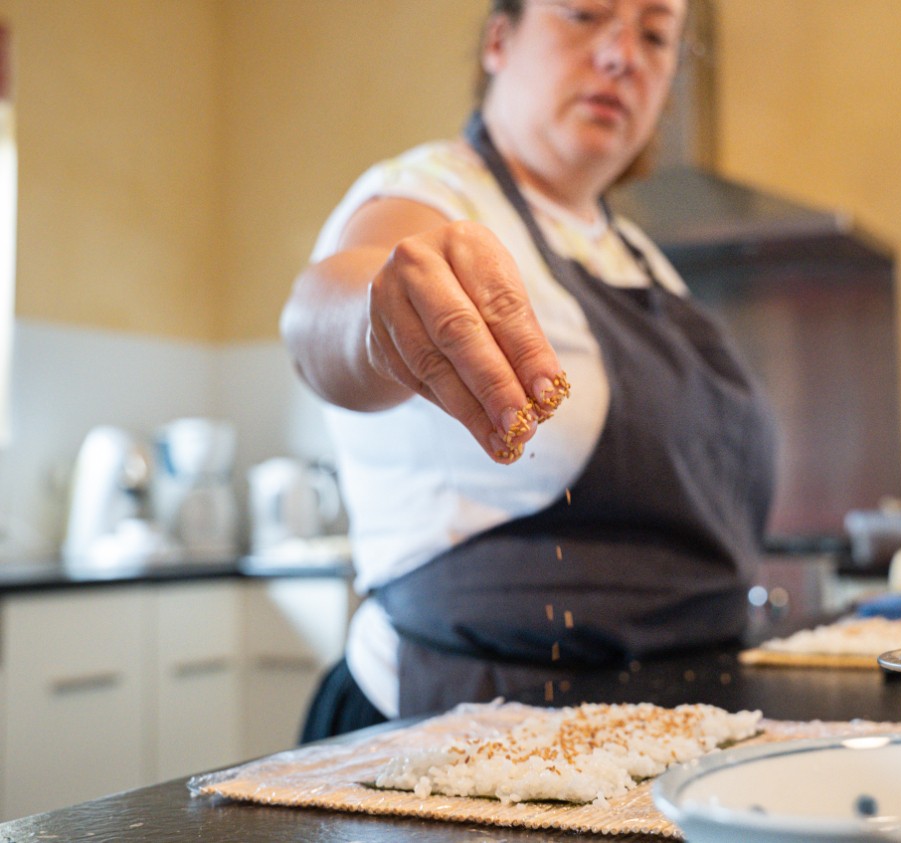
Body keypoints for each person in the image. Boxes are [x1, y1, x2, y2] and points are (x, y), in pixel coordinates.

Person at [283, 0, 778, 741]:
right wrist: (381, 314)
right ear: (498, 40)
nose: (621, 55)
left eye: (655, 34)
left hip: (673, 727)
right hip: (465, 733)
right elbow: (326, 315)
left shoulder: (640, 256)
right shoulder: (430, 193)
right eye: (584, 14)